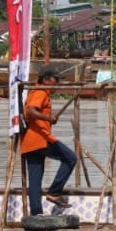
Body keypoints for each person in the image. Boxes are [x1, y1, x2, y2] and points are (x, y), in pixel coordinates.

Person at [21, 67, 78, 215]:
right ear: (46, 80)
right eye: (55, 80)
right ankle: (54, 191)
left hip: (30, 142)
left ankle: (36, 214)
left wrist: (48, 119)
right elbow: (31, 111)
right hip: (41, 139)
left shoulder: (35, 91)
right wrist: (48, 118)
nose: (57, 84)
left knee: (35, 180)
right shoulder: (40, 92)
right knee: (70, 158)